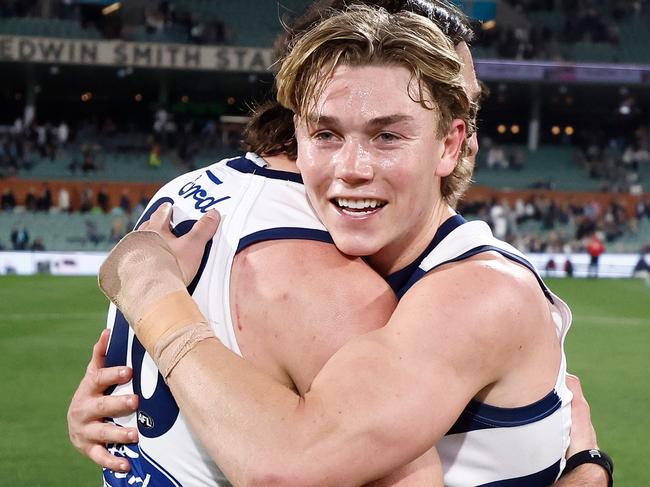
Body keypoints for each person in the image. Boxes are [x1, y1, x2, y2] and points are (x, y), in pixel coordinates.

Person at [69, 2, 609, 486]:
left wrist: (151, 294)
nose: (352, 169)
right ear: (297, 133)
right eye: (327, 134)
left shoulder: (480, 293)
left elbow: (289, 464)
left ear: (451, 140)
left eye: (388, 135)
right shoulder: (336, 261)